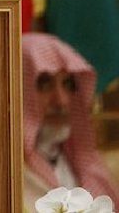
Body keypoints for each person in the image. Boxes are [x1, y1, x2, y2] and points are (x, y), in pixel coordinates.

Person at [22, 33, 118, 208]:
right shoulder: (9, 176)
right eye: (45, 85)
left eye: (68, 85)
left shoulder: (82, 165)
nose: (62, 100)